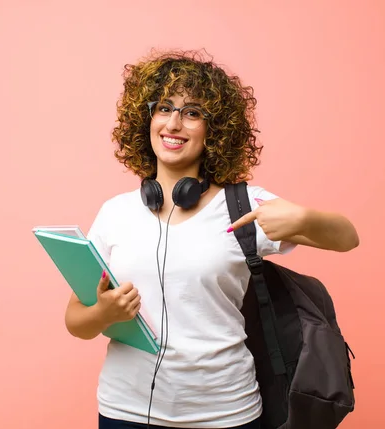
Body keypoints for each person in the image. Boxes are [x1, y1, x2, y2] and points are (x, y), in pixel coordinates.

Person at [64, 49, 359, 429]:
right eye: (164, 108)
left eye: (192, 113)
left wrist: (305, 218)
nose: (174, 124)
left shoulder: (242, 206)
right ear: (146, 118)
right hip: (125, 411)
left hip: (226, 413)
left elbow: (347, 239)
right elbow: (76, 320)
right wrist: (105, 314)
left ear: (214, 129)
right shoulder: (114, 213)